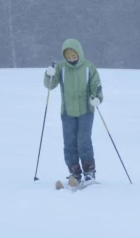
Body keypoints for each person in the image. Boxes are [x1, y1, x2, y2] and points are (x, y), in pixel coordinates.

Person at [44, 39, 103, 185]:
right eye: (68, 56)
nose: (72, 58)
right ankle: (74, 173)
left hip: (86, 111)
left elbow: (96, 85)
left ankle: (89, 172)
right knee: (69, 143)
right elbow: (50, 85)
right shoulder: (62, 68)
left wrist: (96, 97)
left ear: (79, 53)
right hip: (68, 112)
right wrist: (49, 74)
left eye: (74, 55)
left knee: (83, 141)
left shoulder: (89, 67)